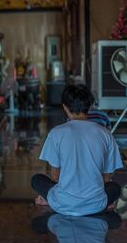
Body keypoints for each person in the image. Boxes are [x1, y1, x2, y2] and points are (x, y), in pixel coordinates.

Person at [31, 84, 123, 216]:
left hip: (62, 203)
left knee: (36, 180)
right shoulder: (105, 134)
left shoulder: (56, 133)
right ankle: (104, 203)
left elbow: (55, 176)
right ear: (90, 106)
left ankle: (49, 199)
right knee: (115, 188)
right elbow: (106, 177)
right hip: (96, 205)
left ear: (65, 107)